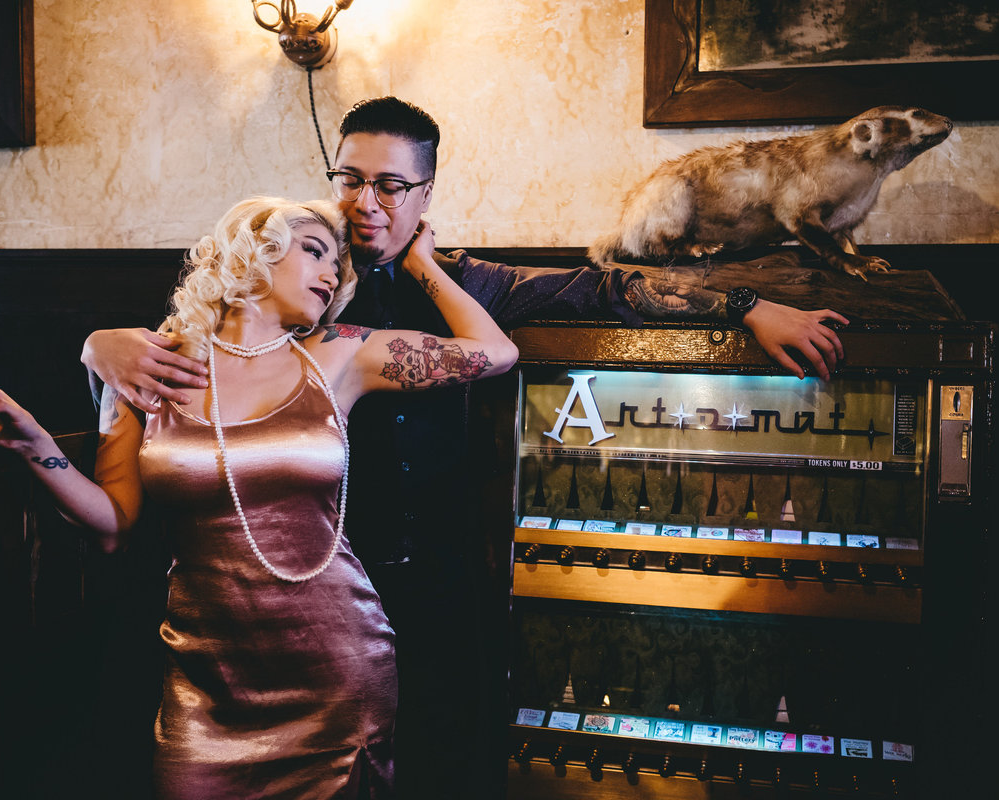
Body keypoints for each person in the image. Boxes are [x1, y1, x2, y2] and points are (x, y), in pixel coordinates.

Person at [80, 97, 850, 798]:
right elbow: (180, 355)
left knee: (441, 773)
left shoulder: (467, 284)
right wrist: (97, 345)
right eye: (350, 178)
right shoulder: (291, 282)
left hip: (437, 594)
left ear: (425, 196)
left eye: (390, 185)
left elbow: (607, 289)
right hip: (291, 612)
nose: (364, 202)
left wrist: (748, 306)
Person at [0, 196, 518, 800]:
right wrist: (31, 440)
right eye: (314, 251)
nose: (332, 274)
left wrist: (422, 261)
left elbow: (496, 353)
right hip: (205, 684)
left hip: (337, 673)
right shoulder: (150, 368)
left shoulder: (341, 353)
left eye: (339, 266)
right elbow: (112, 525)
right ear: (254, 249)